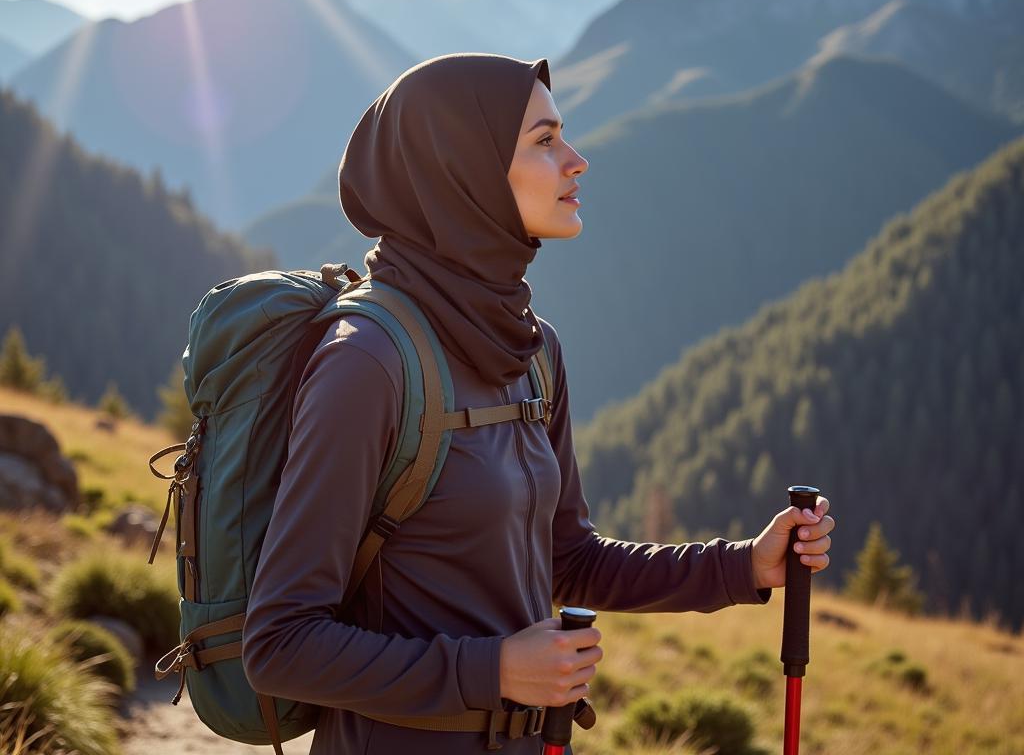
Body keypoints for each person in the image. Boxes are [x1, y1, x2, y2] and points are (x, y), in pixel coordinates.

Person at [241, 53, 834, 754]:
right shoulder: (367, 363)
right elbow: (280, 645)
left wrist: (742, 566)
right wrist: (492, 670)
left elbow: (568, 560)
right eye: (545, 141)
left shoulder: (531, 350)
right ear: (465, 169)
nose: (577, 160)